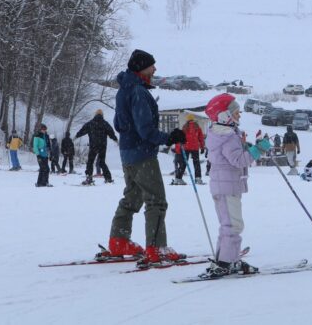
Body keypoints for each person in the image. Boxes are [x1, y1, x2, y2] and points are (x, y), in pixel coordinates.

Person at [102, 49, 187, 265]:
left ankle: (119, 240)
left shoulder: (124, 90)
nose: (155, 69)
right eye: (151, 66)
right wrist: (169, 138)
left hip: (127, 153)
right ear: (141, 68)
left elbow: (119, 124)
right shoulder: (138, 92)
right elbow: (145, 129)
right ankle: (156, 247)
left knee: (132, 197)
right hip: (142, 154)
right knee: (156, 200)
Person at [203, 93, 271, 276]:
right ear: (224, 115)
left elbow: (232, 155)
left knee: (228, 224)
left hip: (222, 185)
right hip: (227, 186)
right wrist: (258, 150)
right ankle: (227, 262)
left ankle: (226, 260)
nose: (239, 115)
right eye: (235, 112)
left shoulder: (219, 133)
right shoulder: (227, 136)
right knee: (233, 225)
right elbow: (239, 161)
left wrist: (248, 147)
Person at [75, 109, 118, 185]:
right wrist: (116, 139)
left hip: (93, 145)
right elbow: (111, 132)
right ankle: (108, 178)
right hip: (102, 145)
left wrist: (76, 136)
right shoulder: (105, 123)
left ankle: (89, 178)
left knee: (90, 162)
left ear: (95, 115)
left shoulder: (90, 123)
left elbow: (82, 130)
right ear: (102, 115)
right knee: (102, 162)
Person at [182, 113, 206, 183]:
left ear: (187, 120)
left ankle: (178, 177)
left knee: (184, 162)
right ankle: (198, 178)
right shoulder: (197, 127)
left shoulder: (184, 127)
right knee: (196, 163)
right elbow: (201, 138)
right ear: (193, 119)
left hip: (186, 147)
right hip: (195, 147)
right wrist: (202, 147)